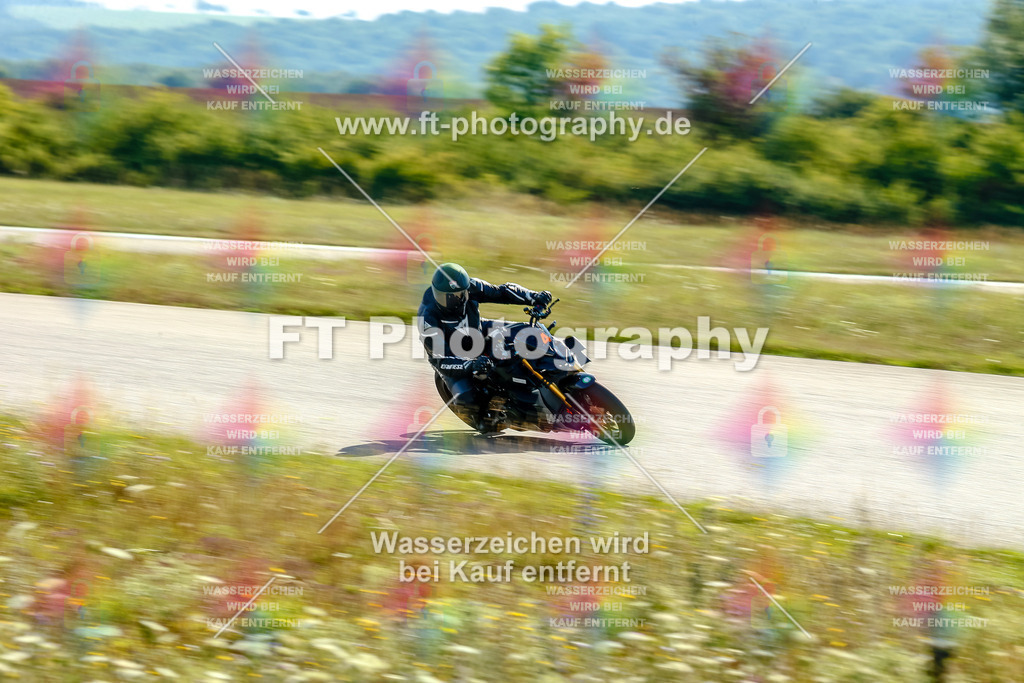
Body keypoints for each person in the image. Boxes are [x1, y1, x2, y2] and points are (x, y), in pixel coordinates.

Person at [417, 263, 552, 431]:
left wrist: (533, 297)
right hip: (453, 356)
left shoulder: (472, 286)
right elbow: (440, 360)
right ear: (435, 292)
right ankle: (485, 419)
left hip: (478, 331)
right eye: (446, 296)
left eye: (459, 295)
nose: (453, 301)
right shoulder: (427, 317)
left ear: (466, 290)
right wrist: (470, 365)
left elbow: (502, 291)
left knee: (529, 331)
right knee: (466, 398)